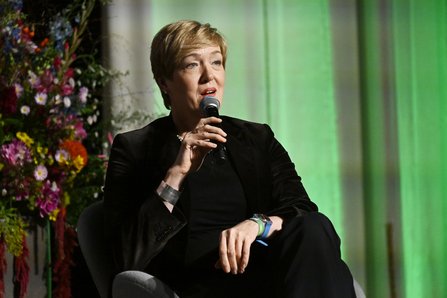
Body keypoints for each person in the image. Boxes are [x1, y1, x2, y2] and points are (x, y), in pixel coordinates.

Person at [104, 20, 356, 298]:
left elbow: (301, 210)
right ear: (164, 81)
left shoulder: (256, 139)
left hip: (268, 273)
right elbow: (125, 256)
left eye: (216, 62)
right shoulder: (135, 148)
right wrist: (177, 172)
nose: (209, 76)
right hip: (201, 282)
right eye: (192, 65)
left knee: (313, 226)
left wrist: (256, 225)